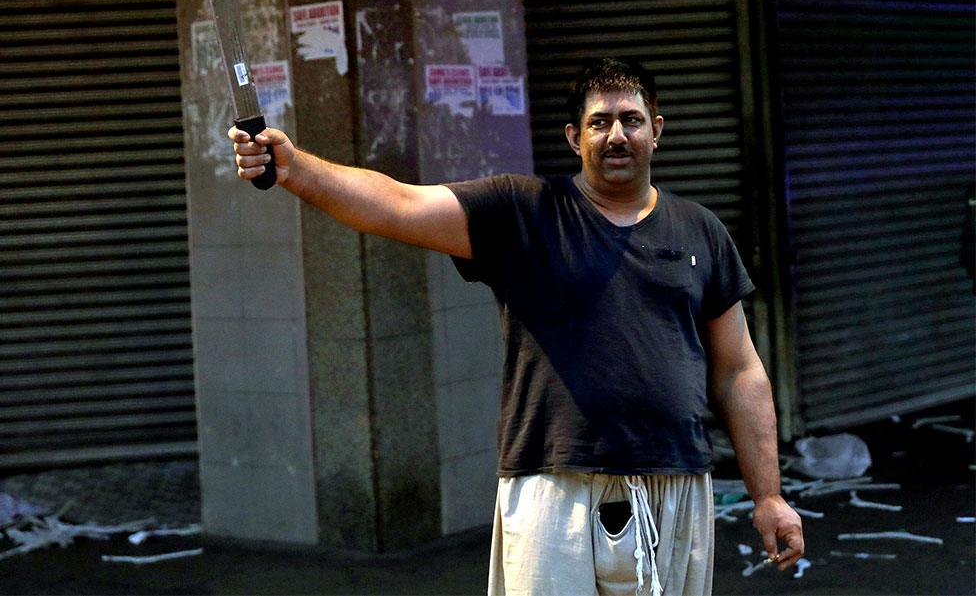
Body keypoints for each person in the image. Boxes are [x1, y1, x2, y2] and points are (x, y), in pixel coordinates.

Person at [228, 58, 803, 595]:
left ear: (657, 129)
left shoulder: (700, 230)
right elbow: (397, 204)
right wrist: (295, 167)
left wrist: (769, 495)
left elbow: (739, 371)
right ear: (575, 138)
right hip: (551, 485)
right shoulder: (522, 211)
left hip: (675, 482)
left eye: (631, 120)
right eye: (599, 123)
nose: (617, 135)